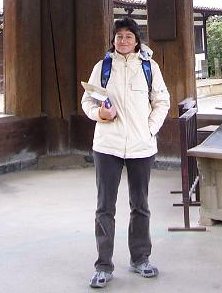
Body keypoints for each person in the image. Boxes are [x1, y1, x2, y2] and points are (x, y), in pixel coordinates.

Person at [81, 16, 170, 289]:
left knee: (140, 205)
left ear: (136, 40)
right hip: (107, 145)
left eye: (128, 36)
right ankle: (103, 265)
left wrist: (150, 128)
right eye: (119, 36)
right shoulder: (103, 67)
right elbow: (88, 100)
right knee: (104, 207)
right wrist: (100, 114)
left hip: (141, 147)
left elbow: (162, 101)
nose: (123, 40)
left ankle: (140, 258)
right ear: (113, 40)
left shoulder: (149, 67)